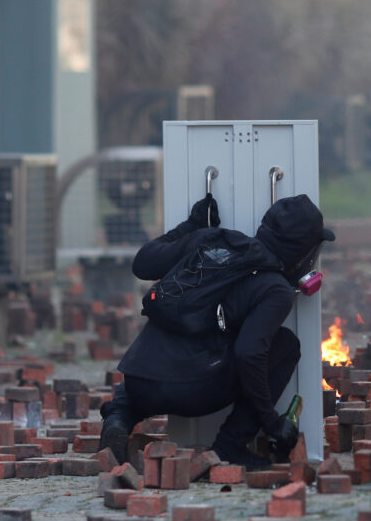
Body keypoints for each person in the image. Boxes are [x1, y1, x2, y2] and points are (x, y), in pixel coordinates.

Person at [99, 193, 335, 469]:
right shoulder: (275, 290)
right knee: (285, 346)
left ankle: (118, 418)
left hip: (141, 379)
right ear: (302, 251)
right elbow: (249, 355)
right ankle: (230, 446)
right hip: (192, 393)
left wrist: (191, 226)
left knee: (145, 373)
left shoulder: (212, 239)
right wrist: (272, 423)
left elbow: (143, 263)